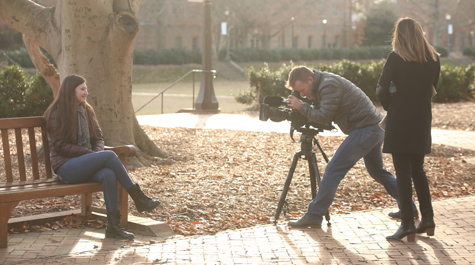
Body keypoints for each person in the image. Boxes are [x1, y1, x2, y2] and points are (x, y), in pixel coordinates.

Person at [285, 65, 417, 229]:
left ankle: (313, 215)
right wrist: (299, 101)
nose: (302, 95)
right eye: (300, 92)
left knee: (333, 169)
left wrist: (301, 106)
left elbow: (324, 117)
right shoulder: (323, 83)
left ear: (310, 79)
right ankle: (409, 208)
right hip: (374, 128)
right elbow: (322, 109)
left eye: (303, 90)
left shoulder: (328, 85)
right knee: (377, 171)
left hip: (365, 129)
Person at [44, 74, 162, 240]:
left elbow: (98, 138)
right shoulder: (57, 113)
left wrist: (95, 154)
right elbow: (60, 146)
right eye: (82, 89)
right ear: (71, 91)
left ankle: (113, 226)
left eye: (86, 89)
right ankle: (138, 197)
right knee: (108, 156)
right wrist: (92, 155)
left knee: (109, 174)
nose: (86, 93)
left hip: (86, 163)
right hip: (66, 167)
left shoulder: (87, 110)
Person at [376, 17, 440, 242]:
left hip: (401, 119)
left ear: (399, 35)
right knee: (418, 171)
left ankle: (406, 224)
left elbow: (381, 89)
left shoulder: (396, 58)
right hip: (422, 119)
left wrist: (392, 106)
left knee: (402, 173)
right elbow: (433, 88)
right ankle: (428, 219)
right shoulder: (433, 59)